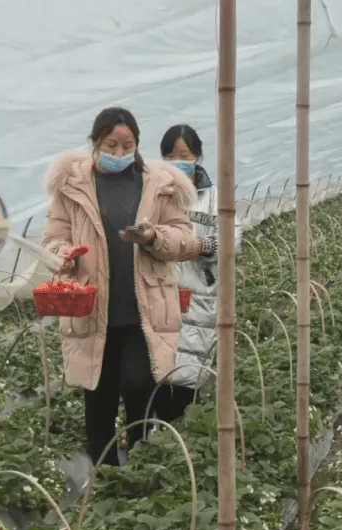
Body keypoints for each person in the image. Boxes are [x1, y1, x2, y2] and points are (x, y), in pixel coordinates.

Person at [41, 107, 217, 467]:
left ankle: (140, 463)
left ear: (137, 145)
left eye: (128, 145)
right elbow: (53, 238)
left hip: (145, 307)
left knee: (140, 387)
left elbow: (183, 238)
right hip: (92, 308)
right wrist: (62, 255)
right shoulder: (71, 186)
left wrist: (155, 237)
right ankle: (105, 476)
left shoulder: (160, 185)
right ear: (95, 143)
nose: (119, 153)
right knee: (98, 395)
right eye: (112, 144)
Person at [149, 124, 243, 422]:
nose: (177, 161)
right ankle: (158, 433)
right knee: (158, 367)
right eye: (169, 155)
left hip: (198, 295)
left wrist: (202, 246)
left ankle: (181, 430)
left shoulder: (214, 199)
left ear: (197, 156)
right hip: (159, 292)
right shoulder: (153, 195)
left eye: (184, 154)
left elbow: (234, 239)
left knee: (189, 368)